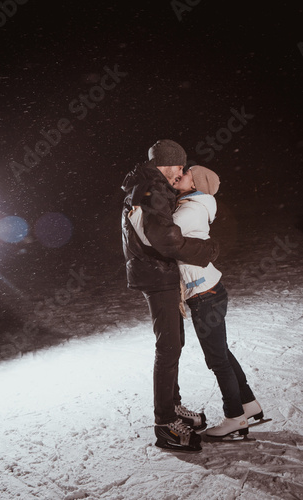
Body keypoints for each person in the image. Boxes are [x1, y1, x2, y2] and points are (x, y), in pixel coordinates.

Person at [121, 140, 219, 451]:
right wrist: (207, 250)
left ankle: (173, 406)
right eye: (179, 166)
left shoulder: (151, 185)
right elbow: (166, 239)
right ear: (167, 165)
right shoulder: (152, 188)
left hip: (157, 271)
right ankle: (164, 424)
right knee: (168, 347)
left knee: (175, 341)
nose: (181, 172)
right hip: (156, 273)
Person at [172, 165, 263, 437]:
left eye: (187, 173)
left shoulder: (191, 209)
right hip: (211, 289)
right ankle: (248, 404)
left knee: (217, 360)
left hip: (203, 294)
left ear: (197, 184)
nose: (181, 174)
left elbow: (161, 236)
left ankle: (235, 417)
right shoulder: (194, 203)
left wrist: (140, 214)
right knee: (222, 353)